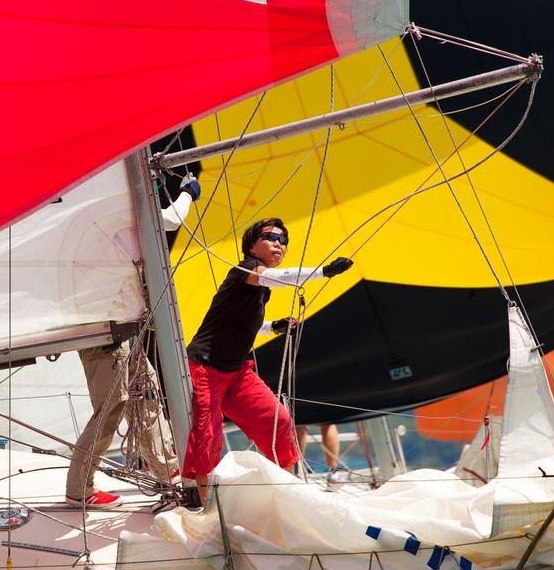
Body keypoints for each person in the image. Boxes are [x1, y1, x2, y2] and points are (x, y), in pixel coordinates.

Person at [182, 217, 353, 504]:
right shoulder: (244, 270)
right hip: (206, 367)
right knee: (208, 439)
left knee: (278, 421)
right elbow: (280, 276)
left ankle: (287, 498)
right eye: (271, 237)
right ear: (251, 245)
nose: (279, 244)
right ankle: (207, 510)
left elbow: (238, 322)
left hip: (236, 371)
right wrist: (323, 272)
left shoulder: (259, 289)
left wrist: (272, 327)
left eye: (284, 240)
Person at [65, 173, 200, 509]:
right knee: (112, 406)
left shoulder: (108, 212)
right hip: (100, 328)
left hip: (123, 323)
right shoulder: (110, 211)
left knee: (149, 396)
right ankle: (78, 488)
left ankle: (168, 472)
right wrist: (188, 194)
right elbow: (168, 220)